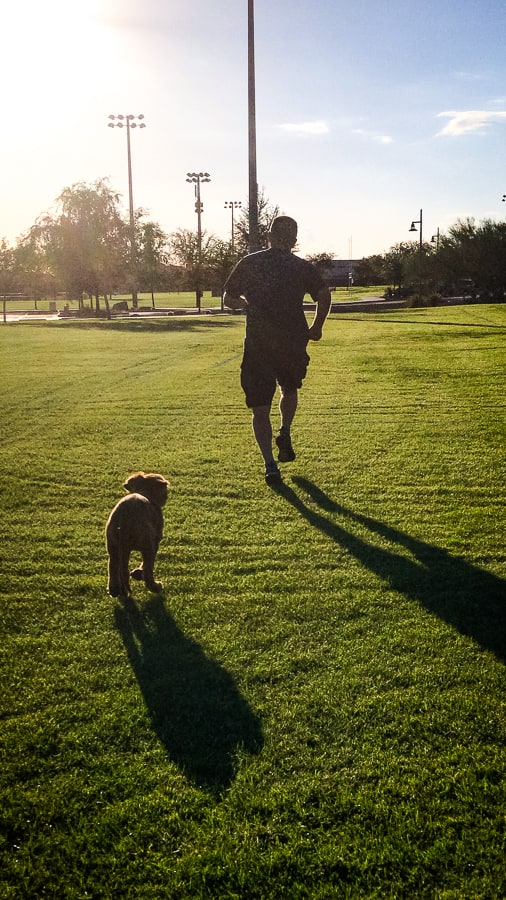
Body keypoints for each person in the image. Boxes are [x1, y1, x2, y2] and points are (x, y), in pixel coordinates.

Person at [223, 215, 331, 485]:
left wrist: (245, 305)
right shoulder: (300, 266)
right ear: (294, 240)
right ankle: (285, 429)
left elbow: (228, 298)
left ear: (268, 237)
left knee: (259, 408)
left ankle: (270, 464)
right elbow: (325, 294)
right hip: (292, 340)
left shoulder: (250, 263)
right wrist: (316, 327)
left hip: (259, 343)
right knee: (290, 388)